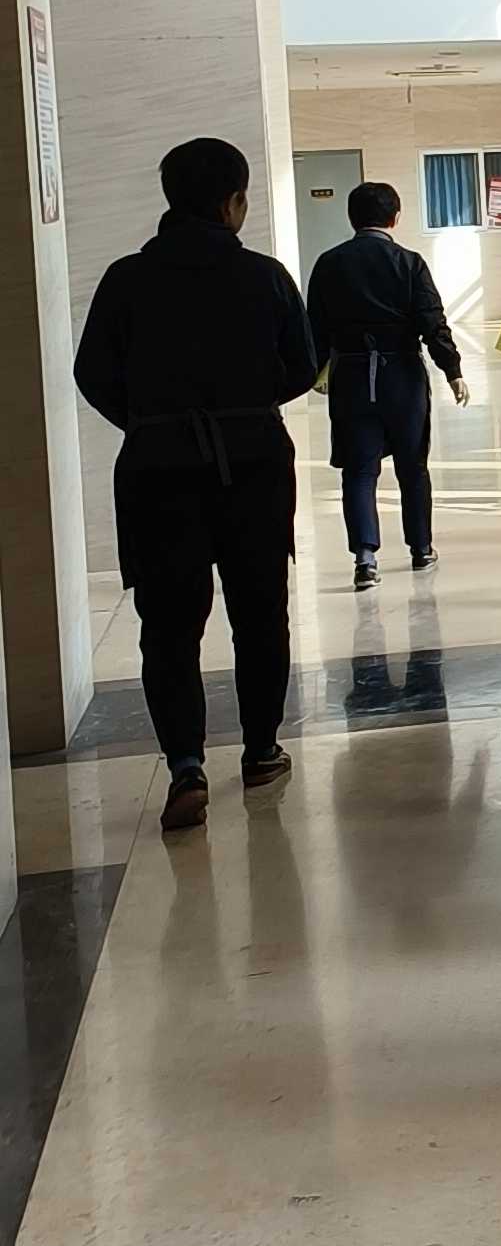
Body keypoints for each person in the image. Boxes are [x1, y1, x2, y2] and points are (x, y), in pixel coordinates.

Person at [74, 137, 319, 833]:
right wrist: (248, 406)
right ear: (232, 202)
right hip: (254, 465)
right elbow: (302, 366)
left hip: (156, 471)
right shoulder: (265, 277)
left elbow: (92, 372)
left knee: (168, 625)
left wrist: (149, 423)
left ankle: (186, 764)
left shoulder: (126, 279)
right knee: (259, 613)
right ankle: (261, 749)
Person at [305, 181, 469, 590]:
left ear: (351, 218)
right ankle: (421, 547)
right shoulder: (409, 263)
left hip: (351, 376)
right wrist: (452, 369)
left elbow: (315, 329)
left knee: (359, 469)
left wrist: (315, 371)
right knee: (412, 466)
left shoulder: (329, 263)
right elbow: (432, 321)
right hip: (403, 375)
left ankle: (365, 558)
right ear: (395, 218)